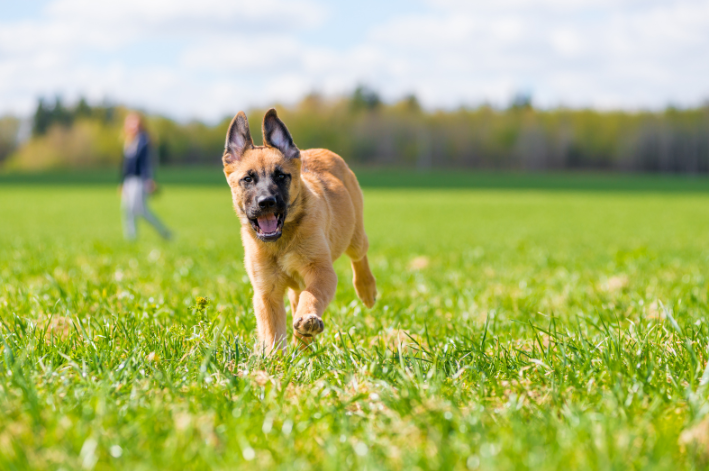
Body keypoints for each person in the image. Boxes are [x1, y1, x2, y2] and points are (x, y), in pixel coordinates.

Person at [120, 112, 172, 241]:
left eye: (136, 124)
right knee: (127, 210)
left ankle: (163, 232)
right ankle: (131, 238)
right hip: (128, 181)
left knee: (140, 210)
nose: (134, 127)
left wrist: (149, 179)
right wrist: (122, 182)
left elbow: (146, 163)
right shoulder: (128, 141)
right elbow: (125, 165)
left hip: (139, 181)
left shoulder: (144, 141)